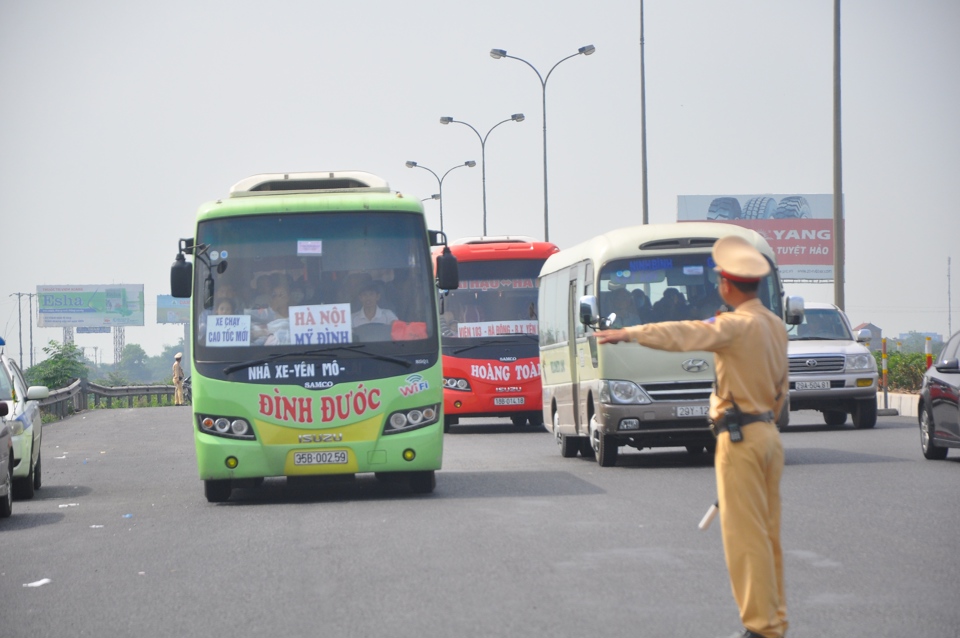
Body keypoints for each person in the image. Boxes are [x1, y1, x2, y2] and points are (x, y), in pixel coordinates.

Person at [595, 235, 789, 638]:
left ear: (727, 284)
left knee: (744, 537)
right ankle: (775, 620)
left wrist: (630, 333)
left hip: (740, 440)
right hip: (768, 433)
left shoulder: (733, 325)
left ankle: (760, 628)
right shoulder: (774, 324)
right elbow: (781, 386)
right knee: (768, 535)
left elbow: (682, 334)